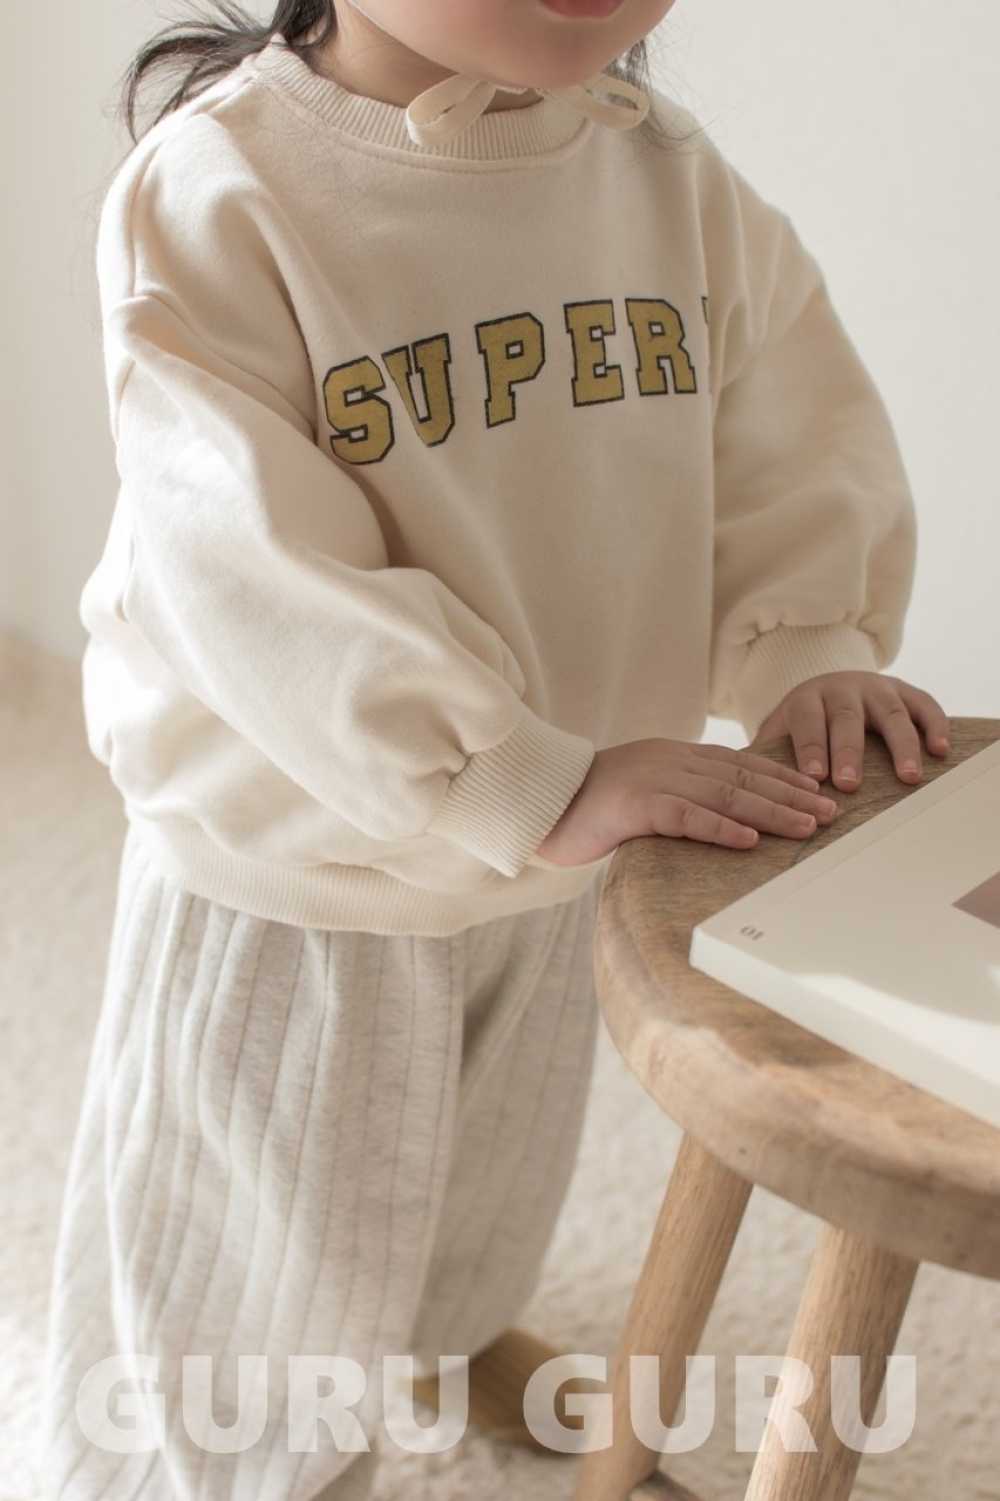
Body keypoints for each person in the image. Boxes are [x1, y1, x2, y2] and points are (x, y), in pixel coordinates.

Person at [40, 1, 951, 1497]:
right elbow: (245, 566)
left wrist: (805, 647)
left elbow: (785, 427)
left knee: (489, 1173)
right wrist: (504, 770)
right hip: (308, 875)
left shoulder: (660, 174)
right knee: (249, 1260)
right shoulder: (227, 192)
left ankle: (443, 1335)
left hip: (566, 842)